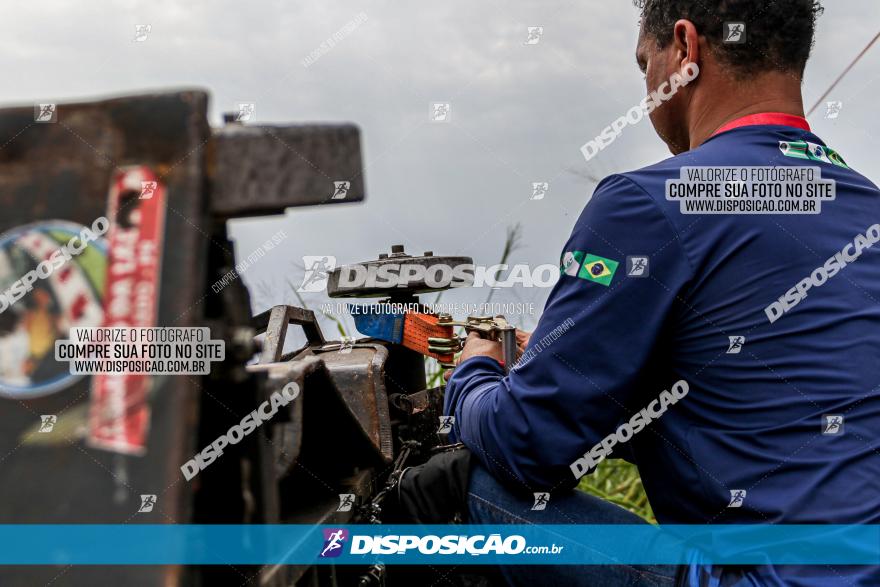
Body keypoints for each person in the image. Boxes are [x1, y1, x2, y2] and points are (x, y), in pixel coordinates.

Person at [441, 1, 880, 585]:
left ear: (685, 49)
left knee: (455, 483)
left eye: (646, 64)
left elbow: (529, 445)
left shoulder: (649, 203)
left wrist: (473, 374)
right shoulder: (867, 206)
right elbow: (773, 413)